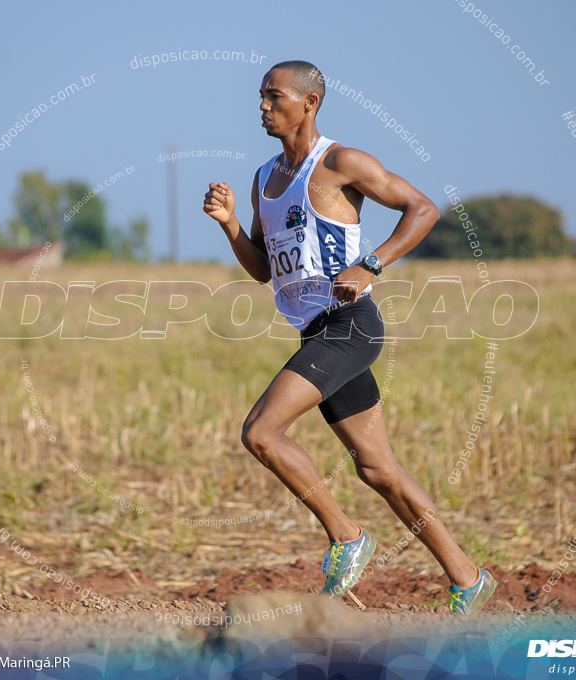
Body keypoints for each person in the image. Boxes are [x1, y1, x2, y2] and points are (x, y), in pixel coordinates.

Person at [202, 60, 496, 613]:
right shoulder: (264, 178)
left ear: (309, 104)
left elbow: (423, 208)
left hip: (350, 326)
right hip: (318, 331)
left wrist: (372, 265)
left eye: (274, 97)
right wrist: (230, 224)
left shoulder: (341, 162)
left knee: (261, 432)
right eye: (261, 98)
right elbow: (263, 269)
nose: (263, 107)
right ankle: (468, 576)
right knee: (378, 469)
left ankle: (346, 535)